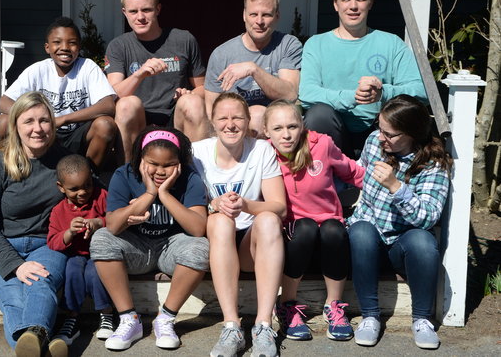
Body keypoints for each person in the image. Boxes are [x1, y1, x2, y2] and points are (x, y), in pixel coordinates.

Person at [89, 126, 209, 351]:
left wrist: (164, 194)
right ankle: (129, 319)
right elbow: (113, 225)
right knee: (102, 238)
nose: (160, 171)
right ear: (141, 159)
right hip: (136, 248)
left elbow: (197, 228)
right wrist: (149, 193)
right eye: (153, 163)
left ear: (179, 163)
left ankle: (166, 318)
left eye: (169, 164)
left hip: (172, 247)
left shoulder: (189, 177)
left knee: (201, 247)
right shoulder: (124, 174)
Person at [348, 95, 452, 349]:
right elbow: (357, 172)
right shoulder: (374, 143)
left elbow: (428, 217)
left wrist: (396, 187)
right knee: (361, 231)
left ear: (412, 134)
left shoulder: (433, 164)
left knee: (423, 241)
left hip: (401, 246)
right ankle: (370, 316)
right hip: (367, 239)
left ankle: (422, 320)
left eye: (390, 134)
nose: (381, 137)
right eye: (380, 128)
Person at [0, 91, 71, 357]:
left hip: (46, 244)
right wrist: (16, 265)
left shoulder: (64, 162)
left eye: (44, 120)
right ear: (15, 126)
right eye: (29, 121)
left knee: (41, 284)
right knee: (13, 298)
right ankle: (41, 344)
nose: (37, 128)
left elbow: (91, 192)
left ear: (52, 124)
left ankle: (34, 340)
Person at [192, 92, 287, 357]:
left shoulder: (261, 149)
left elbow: (279, 206)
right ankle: (231, 326)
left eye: (237, 118)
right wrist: (214, 204)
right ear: (213, 122)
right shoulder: (197, 152)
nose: (230, 124)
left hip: (250, 245)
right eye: (223, 118)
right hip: (216, 238)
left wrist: (245, 205)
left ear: (247, 121)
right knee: (221, 220)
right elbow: (191, 207)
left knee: (269, 219)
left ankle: (263, 325)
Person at [262, 100, 365, 342]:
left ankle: (334, 305)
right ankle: (287, 304)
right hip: (294, 234)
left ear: (302, 125)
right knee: (306, 227)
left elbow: (353, 172)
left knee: (333, 229)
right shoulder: (264, 153)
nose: (286, 135)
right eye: (277, 128)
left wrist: (390, 186)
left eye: (292, 126)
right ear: (266, 131)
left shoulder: (322, 145)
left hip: (329, 230)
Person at [299, 0, 427, 157]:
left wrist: (383, 93)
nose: (353, 6)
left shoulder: (391, 43)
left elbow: (422, 91)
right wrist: (353, 97)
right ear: (335, 4)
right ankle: (328, 172)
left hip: (381, 132)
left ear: (370, 3)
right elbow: (307, 93)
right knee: (319, 115)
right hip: (334, 132)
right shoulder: (316, 44)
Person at [0, 16, 117, 172]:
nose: (64, 47)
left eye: (72, 43)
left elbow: (108, 106)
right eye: (57, 42)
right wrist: (36, 120)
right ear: (47, 47)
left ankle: (88, 176)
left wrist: (63, 119)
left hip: (78, 135)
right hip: (42, 133)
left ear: (79, 47)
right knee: (2, 122)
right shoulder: (38, 70)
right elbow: (3, 102)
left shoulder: (88, 67)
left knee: (105, 125)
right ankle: (14, 171)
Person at [104, 0, 207, 161]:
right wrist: (139, 74)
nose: (140, 17)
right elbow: (113, 95)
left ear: (158, 9)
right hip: (139, 117)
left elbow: (203, 87)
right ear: (124, 12)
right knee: (127, 105)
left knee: (192, 101)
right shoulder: (118, 46)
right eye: (133, 11)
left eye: (146, 10)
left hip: (175, 115)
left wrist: (188, 94)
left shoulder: (183, 39)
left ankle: (195, 170)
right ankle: (129, 172)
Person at [204, 0, 302, 137]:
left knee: (257, 114)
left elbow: (290, 95)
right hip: (233, 130)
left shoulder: (288, 45)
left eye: (267, 15)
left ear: (277, 16)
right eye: (253, 14)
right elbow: (212, 110)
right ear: (244, 15)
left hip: (279, 130)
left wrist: (253, 69)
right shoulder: (222, 54)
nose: (259, 21)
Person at [46, 154, 113, 346]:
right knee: (73, 270)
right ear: (61, 187)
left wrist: (99, 222)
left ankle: (107, 313)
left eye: (87, 185)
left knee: (94, 272)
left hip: (99, 253)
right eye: (74, 189)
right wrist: (69, 232)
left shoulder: (101, 197)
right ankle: (72, 318)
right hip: (75, 255)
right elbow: (53, 242)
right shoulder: (59, 211)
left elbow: (117, 219)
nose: (82, 192)